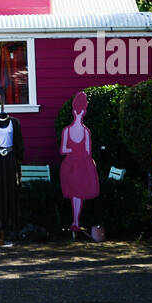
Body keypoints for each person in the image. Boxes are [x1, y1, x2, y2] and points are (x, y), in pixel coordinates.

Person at [59, 91, 100, 232]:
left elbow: (64, 149)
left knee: (75, 194)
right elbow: (88, 151)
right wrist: (79, 152)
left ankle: (75, 222)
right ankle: (75, 221)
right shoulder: (85, 131)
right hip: (81, 164)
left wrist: (72, 150)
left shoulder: (67, 131)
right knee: (78, 194)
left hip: (70, 164)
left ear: (73, 111)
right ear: (84, 111)